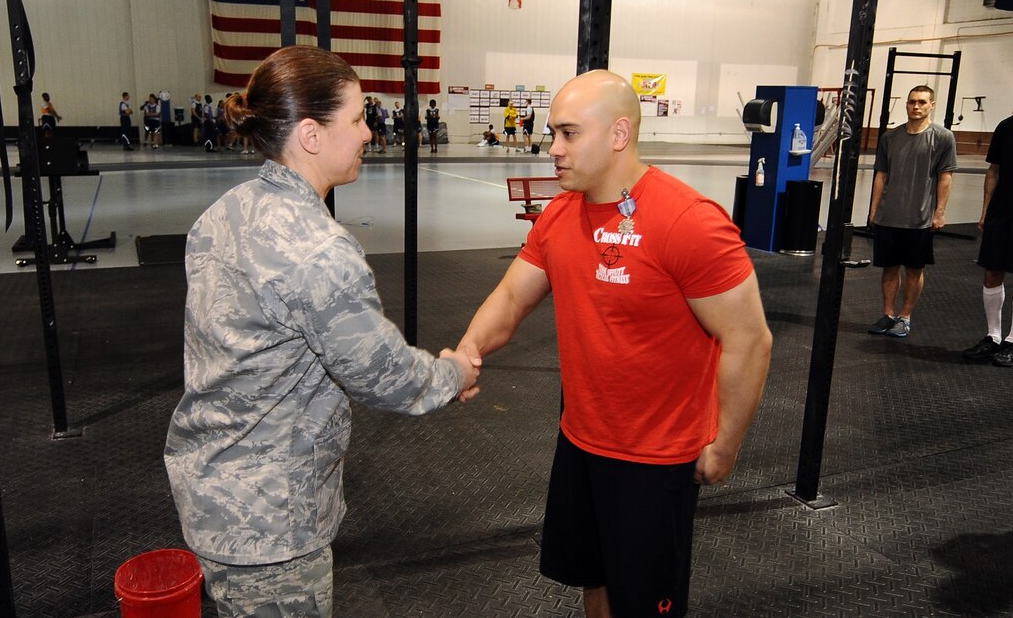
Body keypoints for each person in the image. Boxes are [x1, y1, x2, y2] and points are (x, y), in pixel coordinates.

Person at [164, 45, 480, 618]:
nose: (367, 132)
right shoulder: (316, 247)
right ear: (310, 134)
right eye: (357, 118)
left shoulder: (224, 214)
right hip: (270, 522)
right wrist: (452, 372)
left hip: (213, 489)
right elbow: (382, 374)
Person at [457, 69, 771, 618]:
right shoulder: (559, 214)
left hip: (655, 458)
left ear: (619, 134)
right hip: (580, 439)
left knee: (644, 604)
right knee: (594, 581)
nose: (552, 148)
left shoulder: (688, 222)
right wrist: (466, 353)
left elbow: (749, 339)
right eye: (553, 132)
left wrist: (724, 445)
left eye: (569, 134)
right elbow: (510, 300)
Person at [866, 85, 957, 338]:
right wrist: (874, 210)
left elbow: (945, 177)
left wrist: (939, 212)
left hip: (920, 218)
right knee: (889, 268)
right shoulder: (890, 137)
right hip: (889, 216)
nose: (915, 107)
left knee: (914, 270)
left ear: (932, 105)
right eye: (911, 102)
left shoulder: (942, 137)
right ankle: (887, 314)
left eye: (921, 102)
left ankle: (905, 316)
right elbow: (881, 175)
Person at [962, 79, 1013, 367]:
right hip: (1001, 213)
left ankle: (1012, 341)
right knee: (992, 273)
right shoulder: (1008, 127)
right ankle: (992, 336)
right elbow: (993, 171)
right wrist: (985, 211)